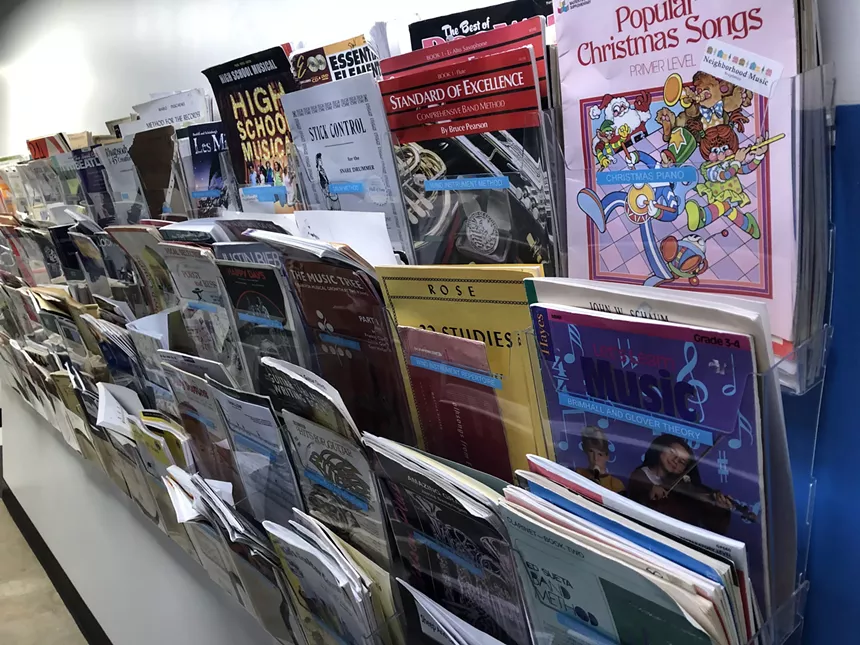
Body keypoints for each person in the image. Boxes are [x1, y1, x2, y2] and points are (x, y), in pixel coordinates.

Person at [627, 434, 731, 534]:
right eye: (672, 452)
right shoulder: (640, 475)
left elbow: (711, 525)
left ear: (684, 470)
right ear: (661, 449)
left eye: (682, 462)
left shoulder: (683, 487)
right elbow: (636, 500)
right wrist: (651, 491)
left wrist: (719, 509)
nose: (676, 460)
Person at [574, 426, 625, 493]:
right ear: (585, 451)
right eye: (591, 451)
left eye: (600, 454)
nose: (595, 458)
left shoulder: (616, 484)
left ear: (607, 456)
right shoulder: (579, 474)